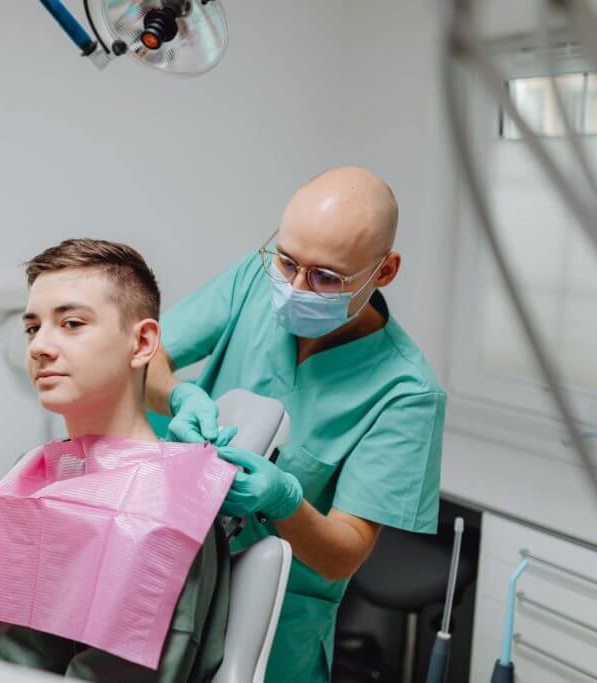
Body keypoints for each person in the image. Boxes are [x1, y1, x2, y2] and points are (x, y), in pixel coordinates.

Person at [146, 166, 446, 682]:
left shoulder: (407, 392)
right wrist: (180, 395)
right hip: (171, 579)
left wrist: (283, 500)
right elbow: (143, 356)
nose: (295, 287)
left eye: (326, 277)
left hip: (276, 628)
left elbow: (343, 552)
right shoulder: (254, 281)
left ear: (385, 270)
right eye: (286, 262)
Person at [0, 238, 231, 682]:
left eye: (71, 323)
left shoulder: (156, 521)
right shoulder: (40, 470)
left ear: (142, 342)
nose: (39, 347)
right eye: (33, 328)